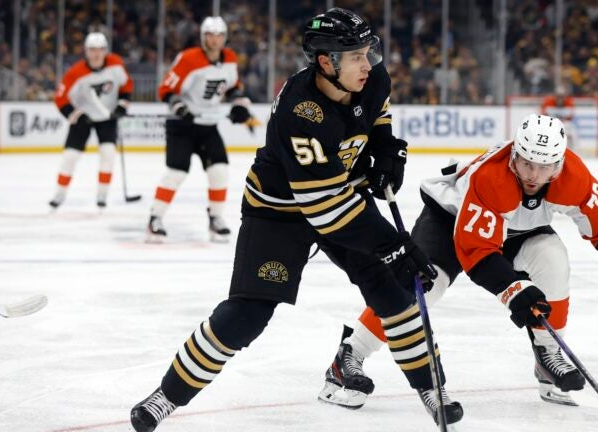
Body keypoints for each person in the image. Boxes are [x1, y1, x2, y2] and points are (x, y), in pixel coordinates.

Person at [130, 8, 463, 431]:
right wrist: (393, 245)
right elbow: (325, 210)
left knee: (395, 294)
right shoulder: (301, 111)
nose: (369, 63)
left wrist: (388, 151)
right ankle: (166, 396)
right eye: (357, 56)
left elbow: (377, 117)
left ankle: (431, 387)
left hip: (342, 195)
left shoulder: (372, 77)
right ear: (326, 63)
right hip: (280, 212)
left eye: (369, 52)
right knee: (247, 315)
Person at [319, 113, 598, 408]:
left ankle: (547, 353)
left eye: (545, 167)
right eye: (527, 163)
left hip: (515, 228)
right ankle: (350, 354)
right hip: (449, 222)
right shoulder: (493, 178)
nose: (534, 175)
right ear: (514, 155)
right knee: (421, 286)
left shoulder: (573, 175)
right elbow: (476, 251)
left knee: (553, 259)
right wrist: (513, 288)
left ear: (560, 163)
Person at [146, 16, 260, 243]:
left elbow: (233, 87)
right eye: (210, 35)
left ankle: (215, 218)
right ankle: (154, 219)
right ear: (203, 37)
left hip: (208, 125)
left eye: (219, 35)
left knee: (219, 171)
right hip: (182, 125)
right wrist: (179, 107)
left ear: (224, 38)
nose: (215, 40)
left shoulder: (230, 58)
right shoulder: (188, 59)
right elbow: (165, 89)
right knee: (176, 173)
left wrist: (239, 105)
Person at [50, 32, 133, 209]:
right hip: (83, 117)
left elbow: (126, 85)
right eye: (92, 50)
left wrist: (122, 106)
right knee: (70, 157)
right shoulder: (76, 72)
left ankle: (102, 195)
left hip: (107, 117)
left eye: (100, 49)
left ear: (106, 51)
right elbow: (60, 98)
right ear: (86, 51)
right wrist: (76, 116)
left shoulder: (116, 64)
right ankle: (60, 194)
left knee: (108, 153)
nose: (96, 54)